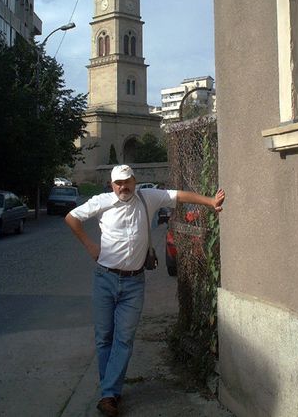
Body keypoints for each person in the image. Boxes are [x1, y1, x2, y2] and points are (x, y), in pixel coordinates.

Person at [65, 164, 225, 417]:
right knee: (104, 337)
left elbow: (178, 195)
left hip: (133, 283)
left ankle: (108, 394)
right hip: (105, 279)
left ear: (134, 180)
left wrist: (210, 201)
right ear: (111, 184)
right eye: (118, 183)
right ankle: (111, 390)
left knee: (124, 339)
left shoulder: (147, 197)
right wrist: (90, 246)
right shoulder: (102, 201)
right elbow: (71, 218)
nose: (123, 187)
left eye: (127, 182)